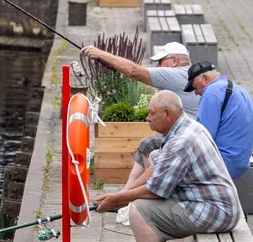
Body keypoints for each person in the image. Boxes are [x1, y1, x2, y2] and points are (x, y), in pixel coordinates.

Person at [94, 90, 243, 242]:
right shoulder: (186, 127)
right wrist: (123, 194)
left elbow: (156, 191)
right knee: (148, 202)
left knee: (140, 211)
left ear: (167, 114)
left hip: (216, 211)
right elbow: (155, 172)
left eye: (151, 113)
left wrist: (120, 200)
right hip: (213, 203)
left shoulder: (180, 142)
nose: (147, 118)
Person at [79, 42, 197, 185]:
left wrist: (99, 54)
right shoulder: (187, 73)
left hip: (184, 143)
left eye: (160, 61)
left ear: (175, 61)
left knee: (150, 145)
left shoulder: (176, 74)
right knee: (147, 144)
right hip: (185, 136)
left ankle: (134, 194)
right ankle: (127, 193)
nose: (158, 66)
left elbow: (133, 71)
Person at [185, 61, 253, 179]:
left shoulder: (211, 93)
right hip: (240, 160)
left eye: (195, 87)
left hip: (223, 162)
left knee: (163, 159)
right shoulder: (238, 89)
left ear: (204, 78)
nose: (196, 92)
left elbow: (203, 137)